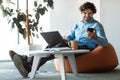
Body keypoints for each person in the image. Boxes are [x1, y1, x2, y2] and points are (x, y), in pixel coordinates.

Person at [9, 2, 108, 78]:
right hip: (73, 46)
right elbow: (71, 36)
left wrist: (94, 37)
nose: (87, 15)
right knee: (53, 45)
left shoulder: (97, 25)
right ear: (82, 12)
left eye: (90, 13)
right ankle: (27, 63)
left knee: (54, 48)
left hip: (84, 48)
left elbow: (105, 43)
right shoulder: (78, 24)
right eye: (85, 13)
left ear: (93, 13)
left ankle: (26, 61)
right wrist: (65, 38)